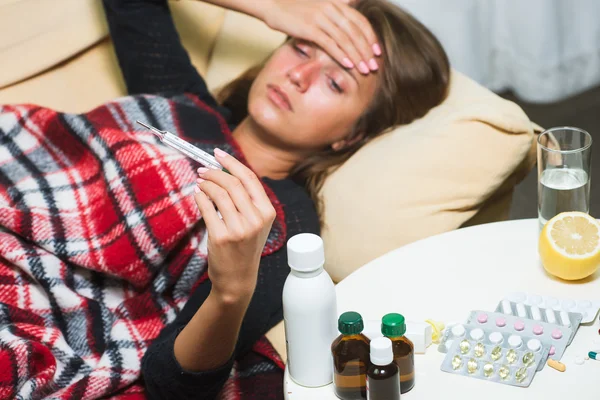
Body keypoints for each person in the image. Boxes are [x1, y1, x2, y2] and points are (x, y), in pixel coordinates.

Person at [0, 0, 447, 398]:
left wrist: (231, 292)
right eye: (302, 47)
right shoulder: (183, 99)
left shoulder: (278, 219)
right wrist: (272, 7)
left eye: (334, 83)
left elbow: (170, 382)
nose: (298, 75)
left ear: (350, 135)